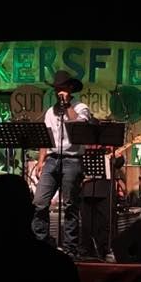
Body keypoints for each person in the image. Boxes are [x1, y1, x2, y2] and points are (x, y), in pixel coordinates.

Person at [32, 70, 92, 255]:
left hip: (72, 160)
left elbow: (78, 125)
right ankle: (41, 245)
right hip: (52, 160)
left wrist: (67, 105)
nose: (59, 91)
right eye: (57, 88)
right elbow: (46, 138)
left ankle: (69, 249)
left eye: (63, 88)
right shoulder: (50, 111)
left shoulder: (81, 107)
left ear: (71, 88)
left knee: (70, 205)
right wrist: (41, 161)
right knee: (39, 202)